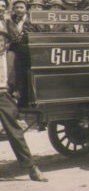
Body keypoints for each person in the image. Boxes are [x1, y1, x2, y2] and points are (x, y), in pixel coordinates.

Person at [0, 29, 48, 181]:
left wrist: (15, 95)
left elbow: (20, 78)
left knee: (15, 132)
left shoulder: (12, 57)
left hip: (4, 96)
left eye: (1, 41)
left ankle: (31, 168)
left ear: (6, 43)